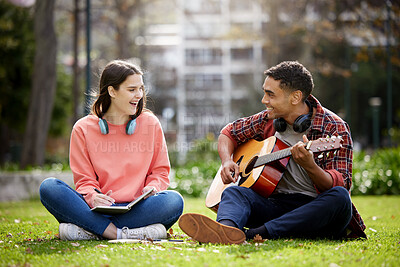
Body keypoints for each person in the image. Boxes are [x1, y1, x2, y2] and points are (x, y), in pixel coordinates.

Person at [179, 61, 366, 244]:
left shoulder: (334, 127)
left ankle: (257, 233)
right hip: (275, 205)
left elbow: (342, 184)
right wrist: (227, 161)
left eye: (270, 94)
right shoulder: (268, 119)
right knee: (235, 192)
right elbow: (229, 132)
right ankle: (226, 230)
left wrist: (310, 167)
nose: (264, 100)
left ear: (295, 97)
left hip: (314, 211)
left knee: (340, 198)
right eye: (264, 93)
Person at [40, 60, 184, 241]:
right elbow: (85, 180)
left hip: (137, 210)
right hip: (96, 210)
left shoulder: (150, 123)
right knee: (49, 188)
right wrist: (93, 197)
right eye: (132, 90)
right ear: (112, 91)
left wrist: (152, 188)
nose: (139, 95)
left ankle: (91, 231)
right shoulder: (83, 129)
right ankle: (120, 233)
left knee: (173, 201)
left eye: (141, 88)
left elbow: (160, 172)